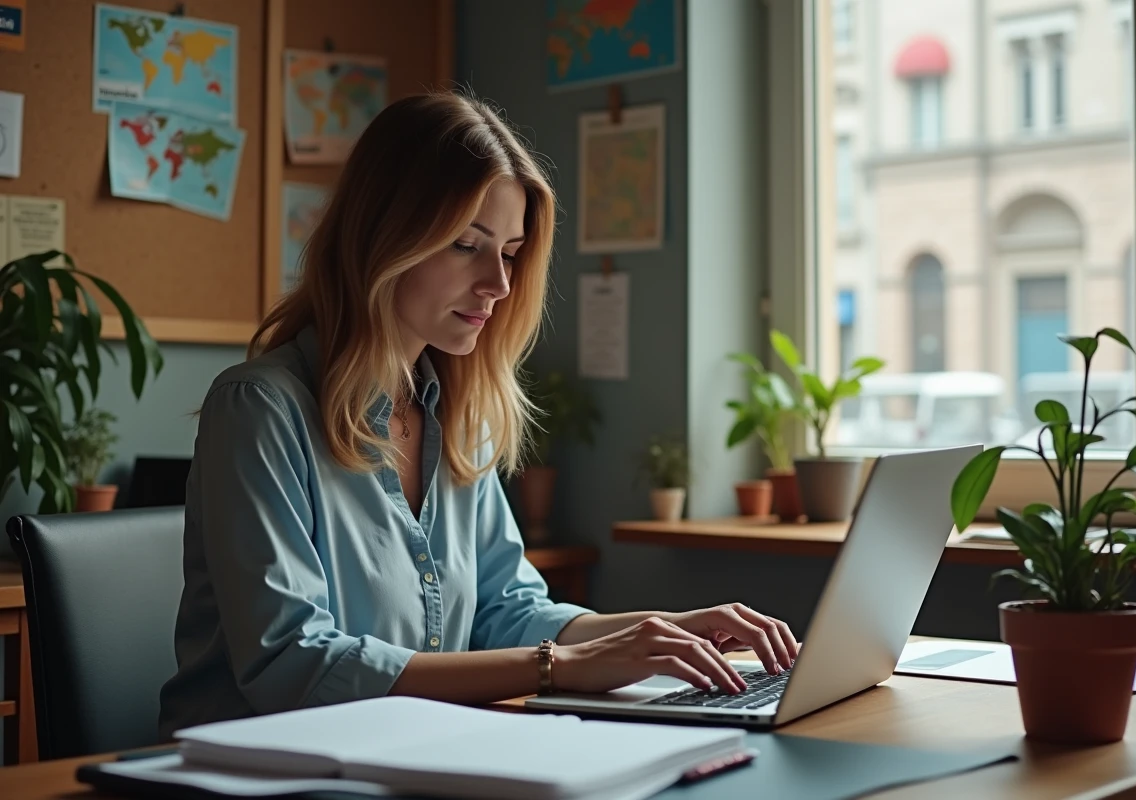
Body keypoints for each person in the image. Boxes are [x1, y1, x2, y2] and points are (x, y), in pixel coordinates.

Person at [158, 92, 798, 739]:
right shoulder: (259, 410)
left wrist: (659, 631)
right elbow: (293, 665)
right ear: (385, 238)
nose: (499, 283)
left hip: (413, 754)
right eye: (467, 245)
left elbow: (507, 608)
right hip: (260, 771)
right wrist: (557, 667)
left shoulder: (460, 416)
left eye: (511, 252)